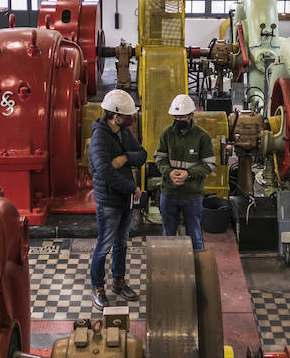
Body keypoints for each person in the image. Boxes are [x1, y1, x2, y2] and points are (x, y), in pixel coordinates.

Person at [88, 89, 147, 310]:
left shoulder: (122, 133)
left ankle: (118, 282)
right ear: (115, 116)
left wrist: (125, 157)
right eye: (126, 116)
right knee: (104, 246)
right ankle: (98, 288)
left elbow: (142, 154)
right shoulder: (99, 138)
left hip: (125, 199)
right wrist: (132, 187)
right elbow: (104, 172)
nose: (130, 119)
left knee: (121, 243)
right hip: (110, 202)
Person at [154, 94, 215, 251]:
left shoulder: (202, 137)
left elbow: (209, 165)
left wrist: (189, 174)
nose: (178, 120)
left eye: (182, 117)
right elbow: (159, 158)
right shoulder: (167, 134)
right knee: (168, 234)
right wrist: (169, 173)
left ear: (191, 115)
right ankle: (170, 267)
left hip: (192, 194)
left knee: (194, 235)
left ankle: (197, 270)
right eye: (175, 116)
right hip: (169, 192)